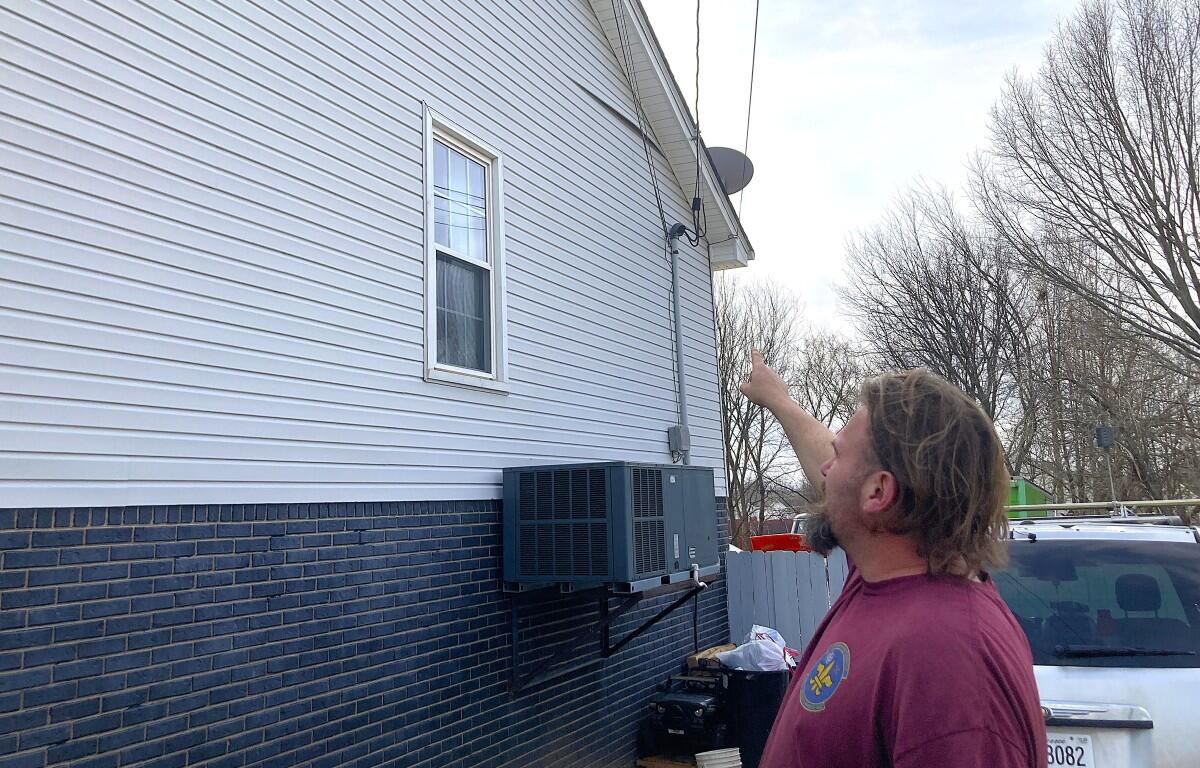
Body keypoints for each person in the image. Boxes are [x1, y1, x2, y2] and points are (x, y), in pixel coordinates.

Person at [740, 349, 1046, 768]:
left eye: (839, 456)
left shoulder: (950, 660)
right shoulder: (882, 574)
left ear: (878, 494)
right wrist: (780, 400)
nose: (825, 470)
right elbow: (832, 473)